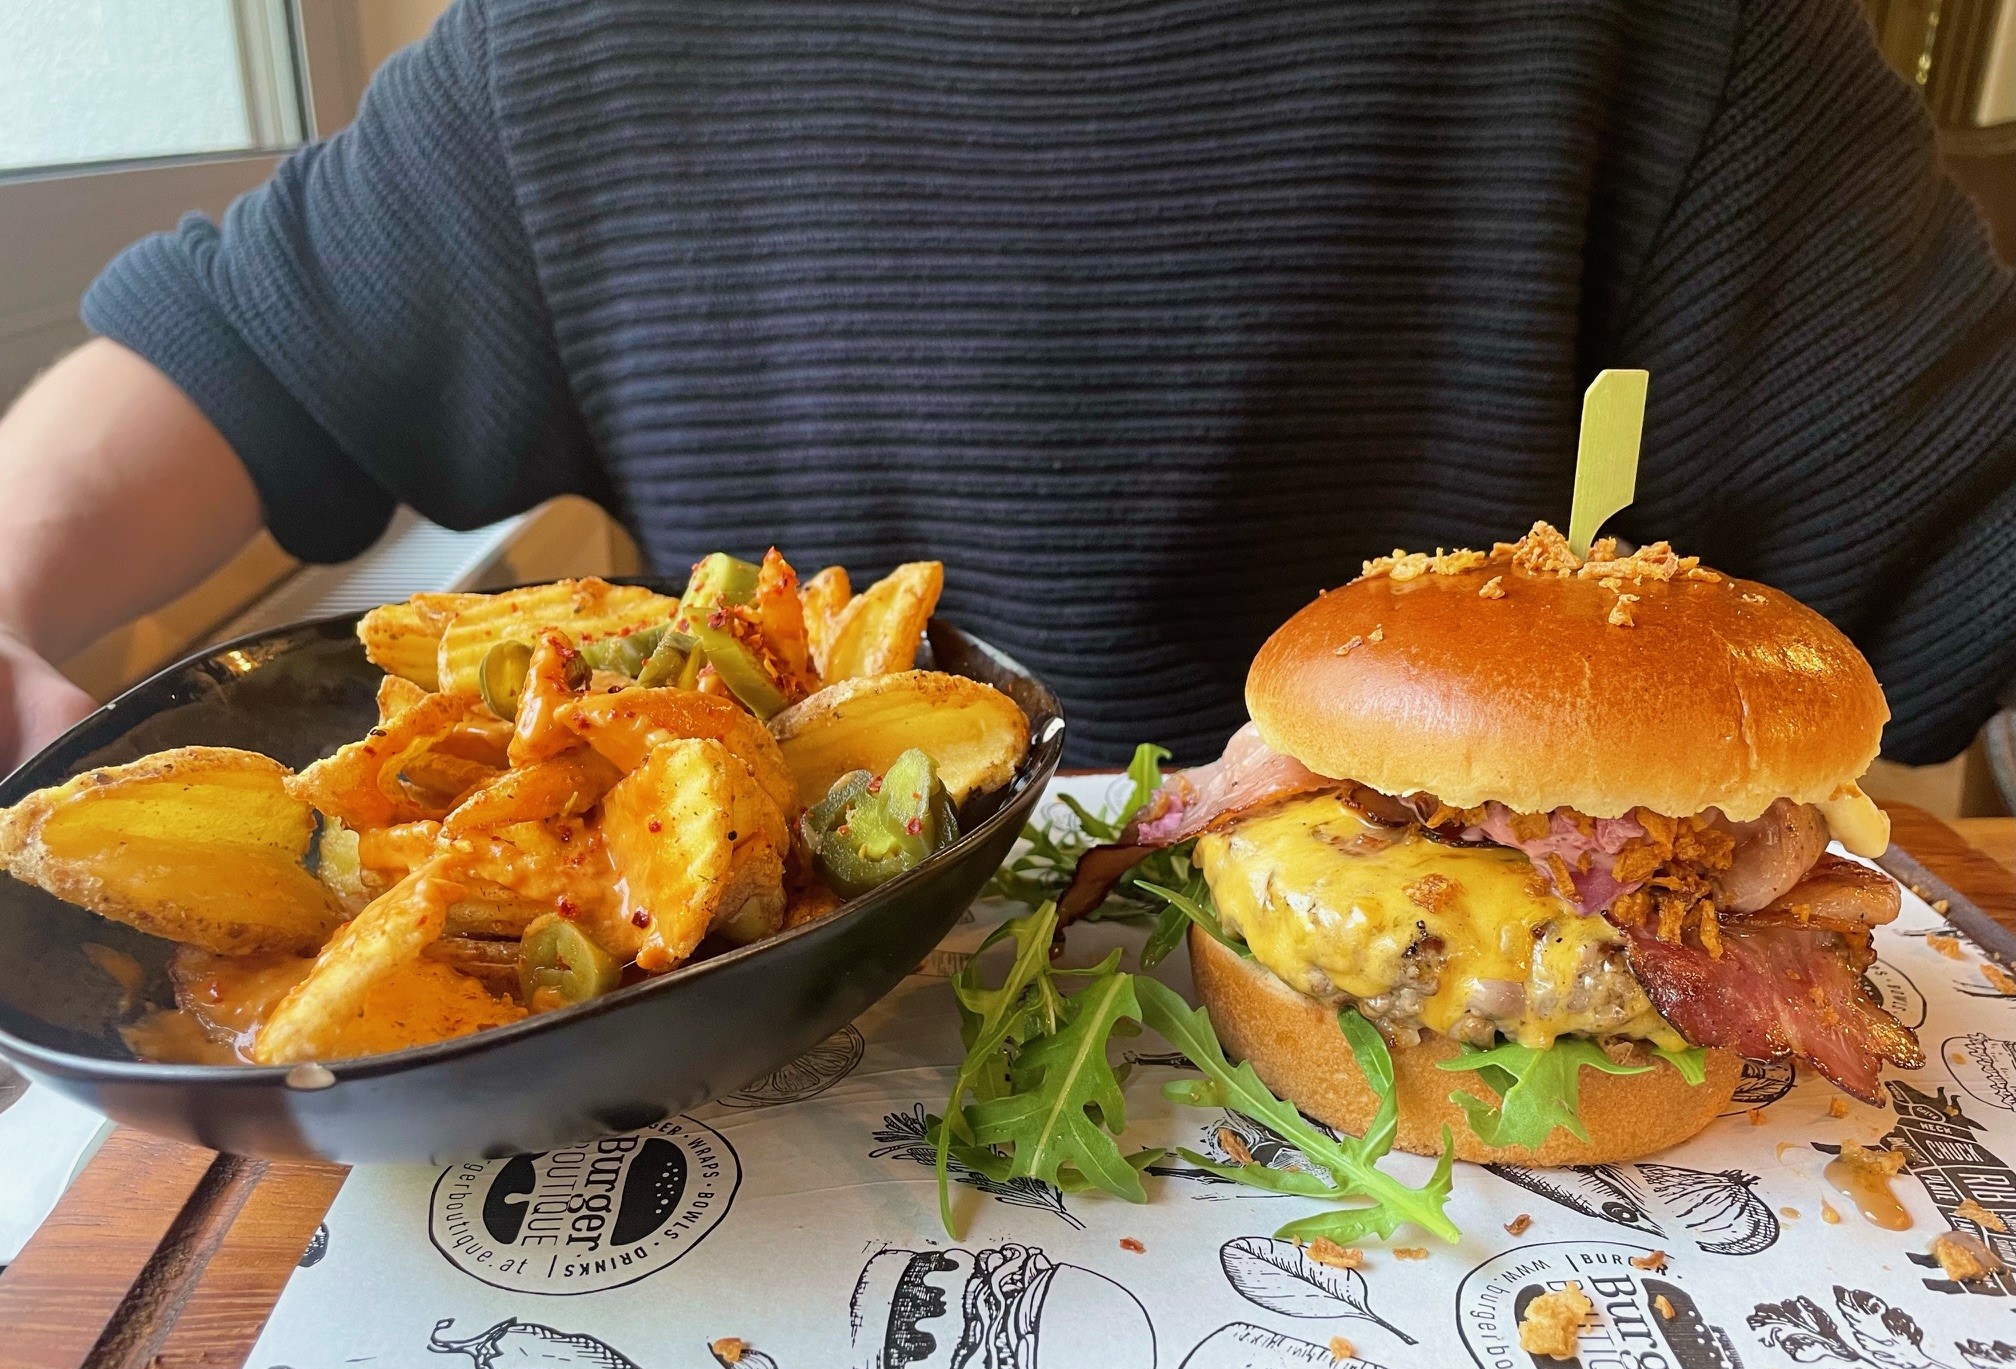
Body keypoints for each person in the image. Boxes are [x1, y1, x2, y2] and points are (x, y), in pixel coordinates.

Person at [1, 0, 2011, 772]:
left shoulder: (1675, 33)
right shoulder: (575, 44)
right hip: (769, 1076)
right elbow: (218, 376)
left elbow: (1977, 551)